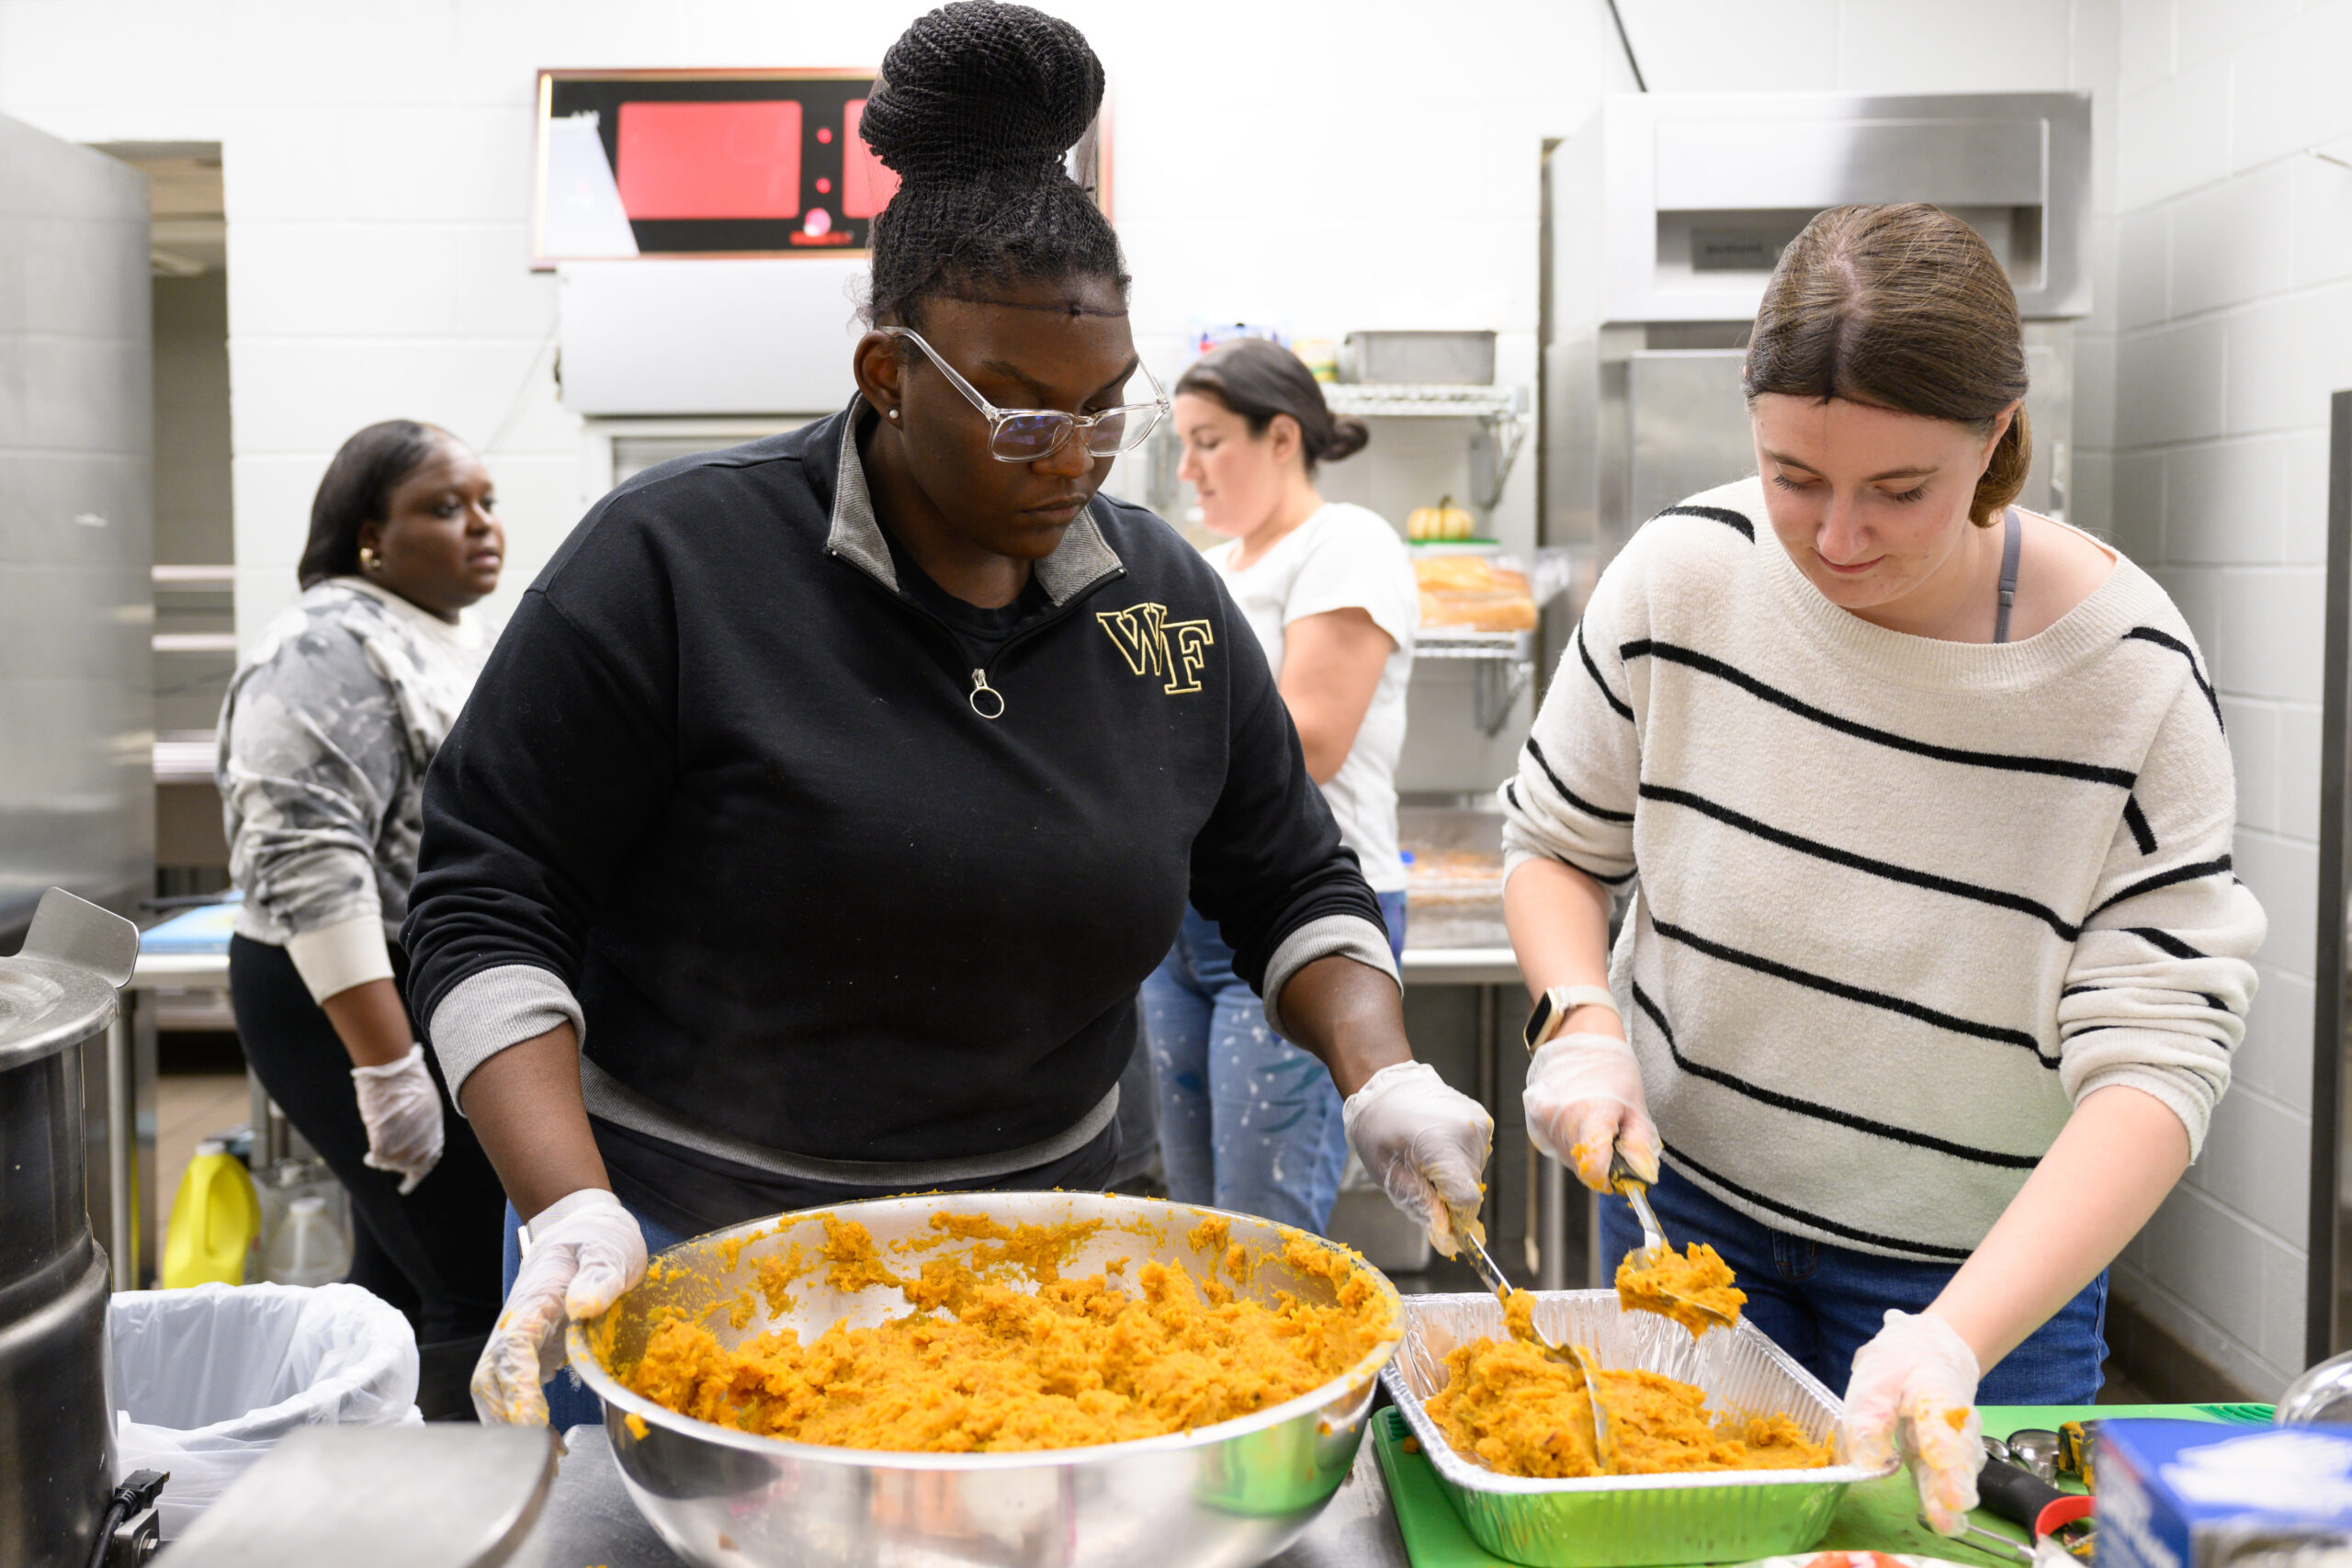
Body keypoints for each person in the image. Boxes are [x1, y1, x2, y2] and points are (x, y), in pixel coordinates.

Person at [400, 0, 1492, 1430]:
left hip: (1057, 1256)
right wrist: (570, 1203)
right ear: (890, 375)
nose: (1078, 456)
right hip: (692, 1258)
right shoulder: (673, 566)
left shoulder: (1158, 603)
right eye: (1025, 413)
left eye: (1109, 409)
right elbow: (486, 899)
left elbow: (1287, 875)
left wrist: (1382, 1069)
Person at [1500, 203, 2263, 1531]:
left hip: (1986, 1282)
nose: (1836, 535)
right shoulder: (1685, 576)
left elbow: (2159, 1061)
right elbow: (1557, 845)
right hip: (1690, 1228)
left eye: (1898, 490)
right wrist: (1581, 1019)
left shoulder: (2129, 682)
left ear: (1998, 437)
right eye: (1793, 474)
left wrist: (1957, 1334)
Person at [220, 419, 511, 1418]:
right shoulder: (325, 641)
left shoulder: (433, 632)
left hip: (416, 977)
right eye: (444, 506)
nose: (481, 527)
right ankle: (467, 1514)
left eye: (485, 502)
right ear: (368, 536)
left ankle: (340, 1480)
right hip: (343, 993)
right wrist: (388, 1068)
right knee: (473, 1278)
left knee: (394, 1269)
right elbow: (307, 852)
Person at [1141, 338, 1416, 1233]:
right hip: (1183, 918)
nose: (1189, 470)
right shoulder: (1209, 570)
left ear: (1282, 438)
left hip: (1302, 906)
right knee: (1195, 1221)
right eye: (1180, 445)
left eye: (1209, 441)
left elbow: (1313, 742)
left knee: (1267, 1231)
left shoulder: (1346, 544)